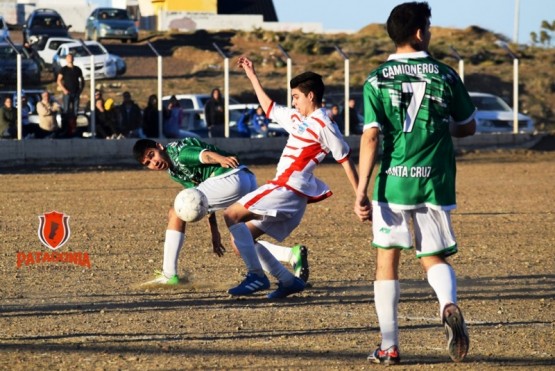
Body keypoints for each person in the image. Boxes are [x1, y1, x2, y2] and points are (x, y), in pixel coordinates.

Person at [353, 2, 476, 365]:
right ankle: (447, 304)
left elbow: (371, 138)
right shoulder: (445, 74)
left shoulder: (375, 79)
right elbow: (468, 126)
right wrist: (442, 127)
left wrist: (361, 189)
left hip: (393, 180)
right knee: (432, 254)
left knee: (387, 258)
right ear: (421, 32)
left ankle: (389, 346)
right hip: (434, 178)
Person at [223, 57, 359, 299]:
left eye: (296, 96)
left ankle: (256, 276)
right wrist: (252, 75)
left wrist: (360, 197)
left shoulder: (325, 125)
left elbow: (345, 159)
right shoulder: (298, 119)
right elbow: (269, 108)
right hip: (290, 196)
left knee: (231, 215)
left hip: (287, 188)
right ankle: (288, 281)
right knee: (240, 242)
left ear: (311, 96)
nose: (293, 102)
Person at [132, 138, 310, 286]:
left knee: (175, 212)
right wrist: (214, 231)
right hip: (245, 178)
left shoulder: (177, 152)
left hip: (228, 177)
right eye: (148, 163)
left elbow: (203, 155)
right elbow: (198, 198)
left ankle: (169, 274)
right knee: (240, 241)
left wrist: (220, 159)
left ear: (159, 146)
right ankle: (290, 255)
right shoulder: (173, 171)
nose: (153, 162)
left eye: (151, 155)